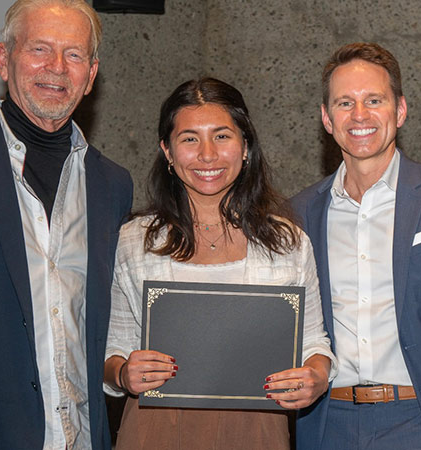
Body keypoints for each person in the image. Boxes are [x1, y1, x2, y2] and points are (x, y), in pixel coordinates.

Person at [0, 0, 133, 448]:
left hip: (81, 436)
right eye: (39, 49)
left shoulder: (112, 184)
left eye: (74, 55)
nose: (56, 67)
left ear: (91, 76)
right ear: (4, 59)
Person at [102, 77, 336, 450]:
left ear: (245, 147)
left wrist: (317, 378)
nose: (207, 154)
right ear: (167, 150)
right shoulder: (134, 241)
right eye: (189, 138)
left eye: (222, 136)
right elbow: (112, 349)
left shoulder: (287, 242)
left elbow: (313, 343)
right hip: (154, 429)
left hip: (257, 429)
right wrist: (123, 373)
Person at [291, 42, 421, 450]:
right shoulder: (297, 214)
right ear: (326, 119)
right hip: (327, 422)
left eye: (374, 100)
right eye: (345, 103)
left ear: (400, 110)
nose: (360, 115)